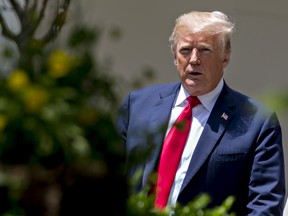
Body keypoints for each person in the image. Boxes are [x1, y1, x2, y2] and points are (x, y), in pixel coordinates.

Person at [116, 11, 286, 215]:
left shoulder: (257, 121)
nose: (194, 59)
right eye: (185, 50)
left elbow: (264, 206)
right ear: (174, 57)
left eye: (205, 50)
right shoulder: (137, 105)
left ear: (225, 58)